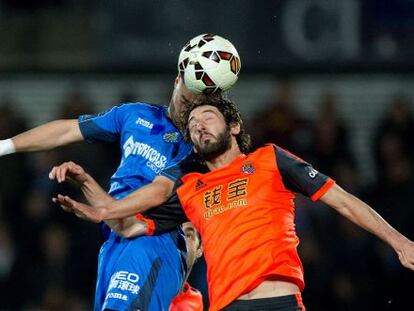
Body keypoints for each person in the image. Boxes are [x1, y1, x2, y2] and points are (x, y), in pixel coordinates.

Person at [51, 96, 414, 311]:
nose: (199, 126)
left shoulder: (272, 160)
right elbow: (129, 224)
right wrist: (89, 186)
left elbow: (344, 202)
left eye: (208, 116)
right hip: (228, 306)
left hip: (280, 302)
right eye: (192, 123)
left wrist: (399, 242)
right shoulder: (190, 187)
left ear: (235, 126)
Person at [0, 74, 201, 310]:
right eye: (186, 101)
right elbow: (65, 131)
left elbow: (160, 191)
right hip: (115, 238)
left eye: (197, 106)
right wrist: (4, 146)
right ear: (177, 81)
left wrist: (106, 208)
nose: (188, 111)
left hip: (151, 241)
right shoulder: (135, 115)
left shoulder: (197, 148)